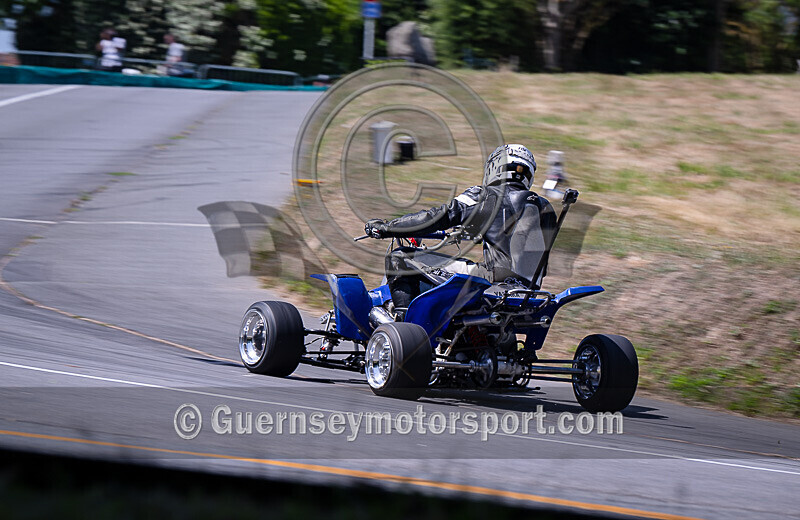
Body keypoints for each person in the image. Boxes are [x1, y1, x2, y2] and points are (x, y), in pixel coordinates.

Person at [365, 144, 557, 311]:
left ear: (494, 167)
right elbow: (516, 238)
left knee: (400, 258)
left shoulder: (486, 196)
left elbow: (436, 217)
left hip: (495, 283)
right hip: (530, 292)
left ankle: (403, 324)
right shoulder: (546, 208)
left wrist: (387, 227)